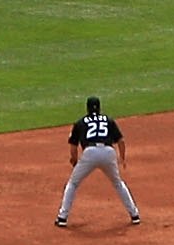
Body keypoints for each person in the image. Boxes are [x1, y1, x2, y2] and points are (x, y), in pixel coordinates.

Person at [57, 96, 141, 227]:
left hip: (90, 152)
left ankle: (62, 217)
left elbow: (73, 147)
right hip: (108, 152)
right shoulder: (109, 120)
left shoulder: (80, 122)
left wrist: (74, 160)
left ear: (87, 108)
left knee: (73, 184)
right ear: (100, 107)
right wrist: (122, 158)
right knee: (118, 183)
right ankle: (134, 215)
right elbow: (121, 141)